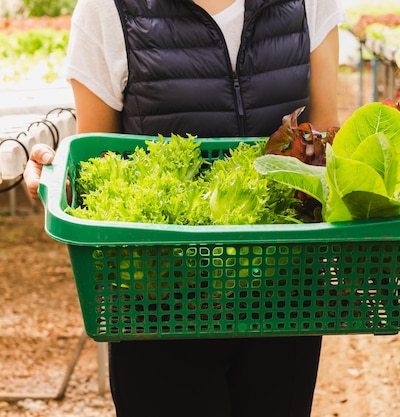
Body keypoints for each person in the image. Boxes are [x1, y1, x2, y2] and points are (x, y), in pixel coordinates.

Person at [24, 1, 346, 416]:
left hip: (282, 292)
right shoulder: (108, 9)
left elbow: (322, 136)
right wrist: (57, 174)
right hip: (158, 301)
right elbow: (98, 164)